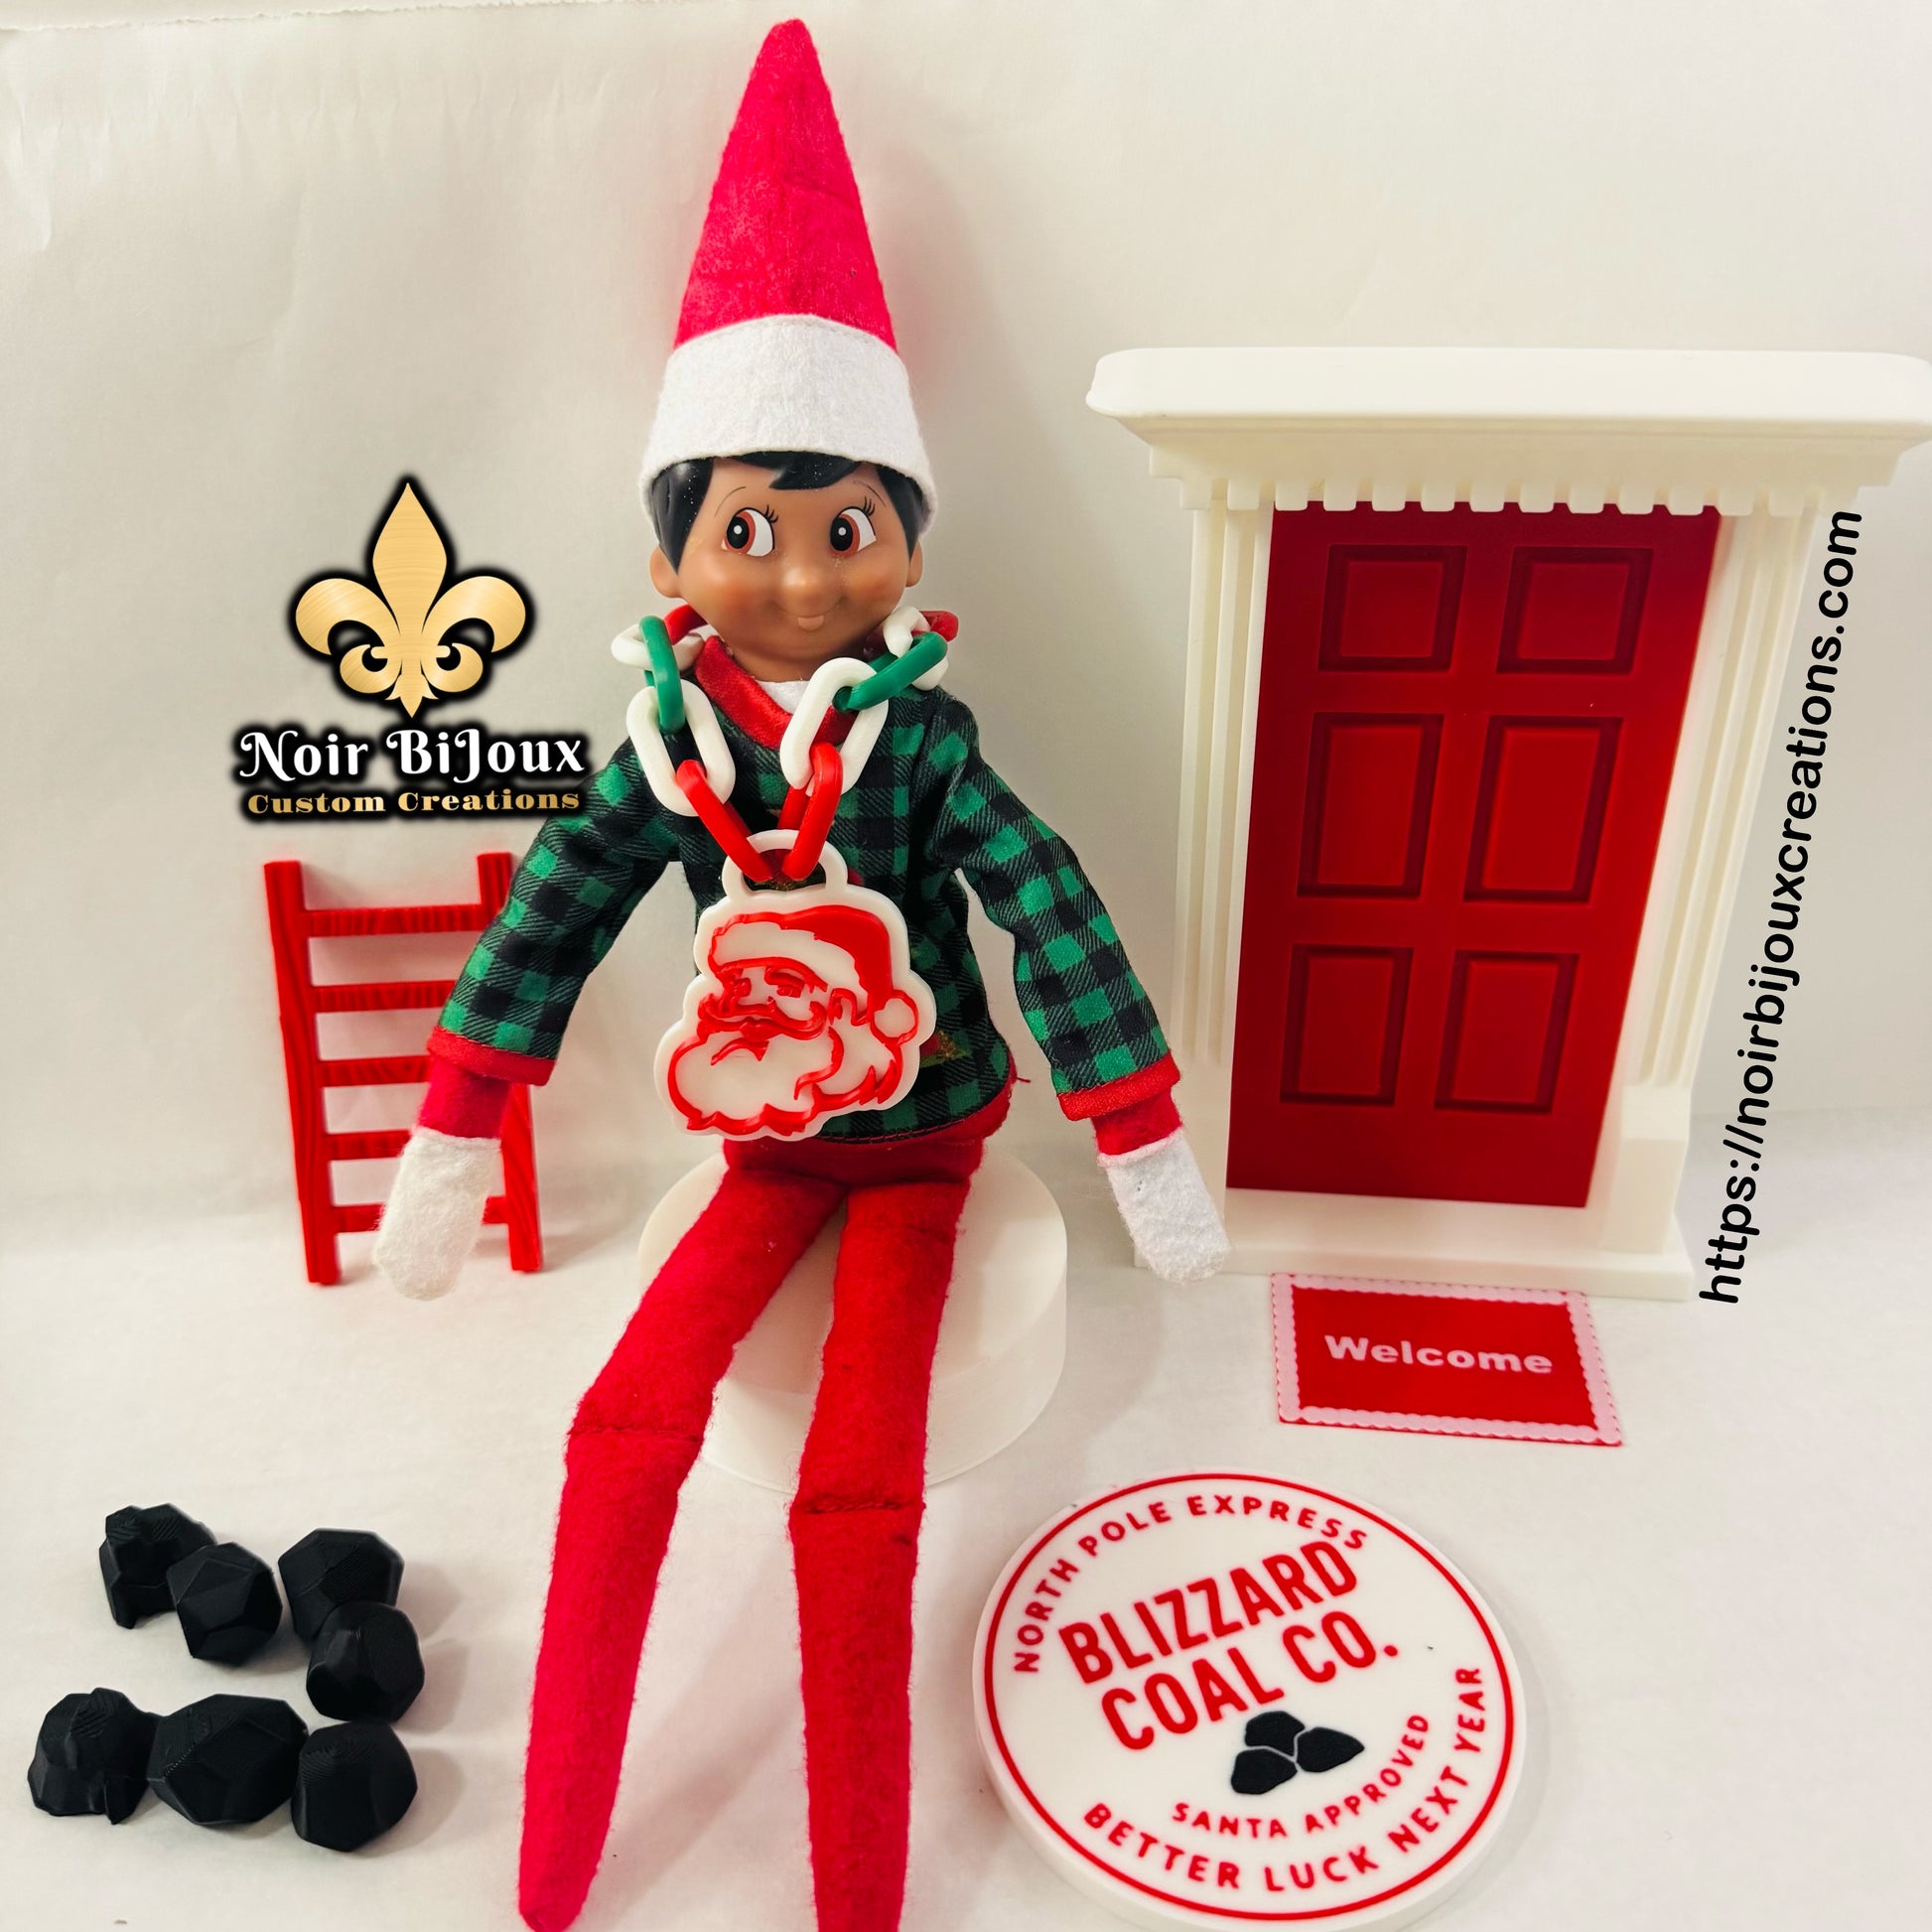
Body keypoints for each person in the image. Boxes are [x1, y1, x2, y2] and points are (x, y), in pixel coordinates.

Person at [372, 21, 1227, 1932]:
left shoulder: (922, 742)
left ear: (906, 541)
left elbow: (1047, 899)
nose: (801, 575)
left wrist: (1137, 1133)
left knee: (858, 1496)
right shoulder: (668, 755)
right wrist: (457, 1122)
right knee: (620, 1434)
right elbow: (553, 910)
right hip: (758, 1147)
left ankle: (858, 1893)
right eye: (745, 530)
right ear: (674, 558)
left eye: (848, 528)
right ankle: (552, 1862)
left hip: (924, 1146)